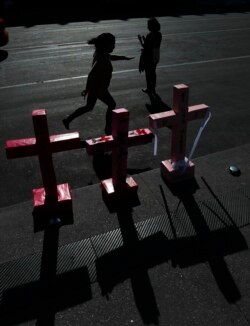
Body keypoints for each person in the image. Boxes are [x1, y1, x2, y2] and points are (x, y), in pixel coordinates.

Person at [63, 33, 134, 135]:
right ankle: (108, 128)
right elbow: (91, 74)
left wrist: (123, 57)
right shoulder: (103, 58)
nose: (114, 46)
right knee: (111, 104)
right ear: (105, 45)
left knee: (88, 107)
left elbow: (110, 57)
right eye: (112, 44)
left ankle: (68, 120)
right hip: (99, 89)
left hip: (95, 88)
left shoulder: (101, 53)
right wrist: (87, 89)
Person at [138, 17, 162, 95]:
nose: (147, 27)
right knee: (153, 73)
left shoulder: (151, 35)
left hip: (148, 56)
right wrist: (145, 40)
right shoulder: (158, 34)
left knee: (148, 74)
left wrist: (141, 40)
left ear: (152, 26)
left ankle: (149, 88)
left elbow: (146, 46)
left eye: (148, 25)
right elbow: (153, 45)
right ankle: (153, 88)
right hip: (155, 56)